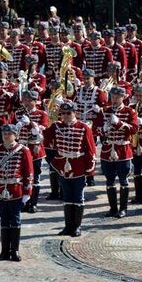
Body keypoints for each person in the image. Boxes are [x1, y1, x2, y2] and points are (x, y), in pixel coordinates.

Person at [43, 101, 97, 237]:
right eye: (63, 113)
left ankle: (77, 227)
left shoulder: (84, 127)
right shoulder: (56, 126)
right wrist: (47, 122)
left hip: (78, 164)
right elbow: (45, 138)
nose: (66, 116)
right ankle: (68, 226)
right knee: (67, 197)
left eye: (69, 113)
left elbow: (91, 150)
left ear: (75, 113)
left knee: (78, 197)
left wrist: (90, 170)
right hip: (62, 165)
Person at [0, 123, 33, 262]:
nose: (6, 135)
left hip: (15, 189)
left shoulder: (23, 150)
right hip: (0, 189)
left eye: (9, 133)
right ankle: (4, 251)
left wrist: (27, 191)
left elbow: (29, 172)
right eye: (4, 133)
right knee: (4, 220)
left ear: (16, 135)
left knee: (15, 220)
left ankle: (15, 251)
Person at [97, 86, 138, 218]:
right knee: (109, 181)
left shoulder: (130, 111)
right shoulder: (105, 111)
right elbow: (96, 129)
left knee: (123, 180)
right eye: (112, 97)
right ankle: (113, 208)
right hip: (108, 149)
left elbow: (134, 129)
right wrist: (103, 129)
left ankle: (123, 209)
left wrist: (119, 123)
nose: (114, 99)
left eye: (117, 97)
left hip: (123, 149)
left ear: (123, 97)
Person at [16, 91, 48, 213]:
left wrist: (32, 125)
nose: (27, 103)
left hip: (35, 148)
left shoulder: (41, 114)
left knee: (35, 177)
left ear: (35, 101)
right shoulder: (18, 113)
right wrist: (19, 124)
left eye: (30, 100)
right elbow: (12, 129)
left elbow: (43, 129)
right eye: (25, 100)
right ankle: (23, 202)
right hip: (21, 148)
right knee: (22, 176)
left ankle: (33, 203)